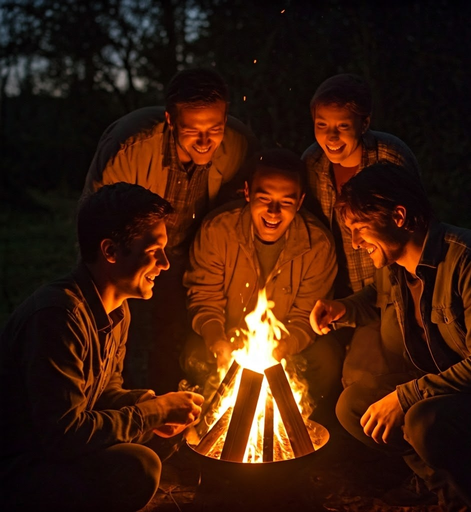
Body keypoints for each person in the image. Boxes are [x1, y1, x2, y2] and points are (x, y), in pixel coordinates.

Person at [310, 162, 471, 511]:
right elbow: (376, 299)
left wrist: (406, 396)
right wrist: (342, 309)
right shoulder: (395, 268)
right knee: (354, 404)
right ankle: (446, 492)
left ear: (399, 216)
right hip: (436, 388)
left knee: (421, 421)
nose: (356, 243)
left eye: (359, 229)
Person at [0, 183, 204, 512]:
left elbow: (102, 392)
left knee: (160, 438)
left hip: (60, 448)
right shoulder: (58, 317)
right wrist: (152, 412)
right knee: (139, 466)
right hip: (22, 464)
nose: (164, 264)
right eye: (153, 251)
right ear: (110, 251)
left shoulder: (116, 310)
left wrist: (148, 404)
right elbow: (63, 434)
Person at [83, 67, 259, 394]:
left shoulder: (238, 144)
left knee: (173, 338)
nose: (207, 142)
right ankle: (115, 401)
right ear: (170, 120)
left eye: (215, 128)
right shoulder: (129, 150)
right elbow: (94, 223)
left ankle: (170, 404)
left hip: (192, 253)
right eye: (193, 131)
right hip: (134, 253)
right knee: (122, 333)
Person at [182, 148, 342, 416]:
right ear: (247, 193)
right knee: (194, 355)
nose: (273, 211)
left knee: (326, 361)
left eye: (286, 202)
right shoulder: (218, 230)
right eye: (264, 198)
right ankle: (215, 419)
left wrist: (278, 350)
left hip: (287, 347)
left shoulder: (318, 245)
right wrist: (218, 341)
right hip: (228, 340)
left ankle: (293, 422)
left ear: (300, 201)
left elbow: (307, 318)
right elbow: (203, 299)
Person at [302, 73, 422, 388]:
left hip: (391, 295)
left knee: (363, 378)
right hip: (341, 294)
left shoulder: (390, 157)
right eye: (321, 125)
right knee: (314, 373)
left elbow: (415, 232)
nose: (331, 137)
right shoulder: (312, 163)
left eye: (342, 126)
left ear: (364, 123)